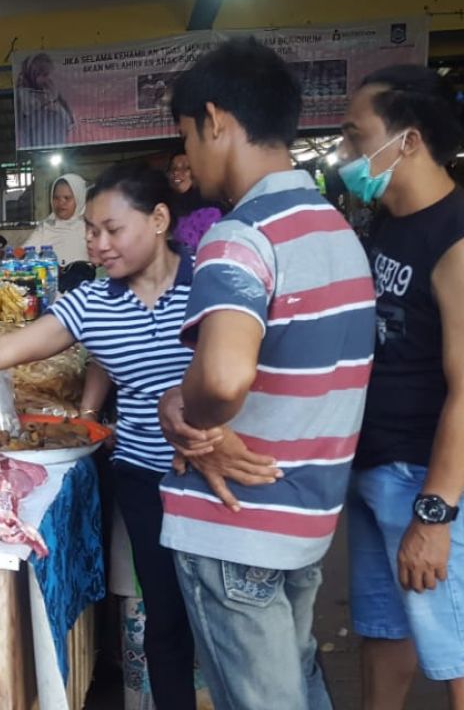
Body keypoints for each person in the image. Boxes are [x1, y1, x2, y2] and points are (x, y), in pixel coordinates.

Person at [0, 163, 208, 710]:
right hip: (146, 479)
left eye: (111, 230)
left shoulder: (213, 281)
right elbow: (12, 347)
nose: (97, 245)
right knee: (166, 621)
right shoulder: (95, 303)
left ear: (160, 219)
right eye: (92, 231)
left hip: (216, 475)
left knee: (228, 625)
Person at [158, 37, 375, 710]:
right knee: (301, 682)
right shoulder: (336, 231)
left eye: (188, 136)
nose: (188, 158)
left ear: (215, 120)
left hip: (236, 527)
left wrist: (184, 413)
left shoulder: (240, 236)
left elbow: (223, 378)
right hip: (306, 519)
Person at [338, 65, 464, 707]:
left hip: (425, 481)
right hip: (376, 465)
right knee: (385, 633)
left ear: (408, 141)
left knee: (455, 648)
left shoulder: (457, 238)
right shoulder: (388, 222)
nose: (345, 156)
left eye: (356, 138)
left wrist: (436, 515)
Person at [23, 173, 89, 264]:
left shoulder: (90, 228)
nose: (61, 203)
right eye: (56, 198)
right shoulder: (45, 227)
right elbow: (24, 251)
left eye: (67, 198)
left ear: (79, 199)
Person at [165, 152, 223, 251]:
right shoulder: (163, 207)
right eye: (173, 168)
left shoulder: (212, 207)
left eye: (185, 167)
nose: (176, 172)